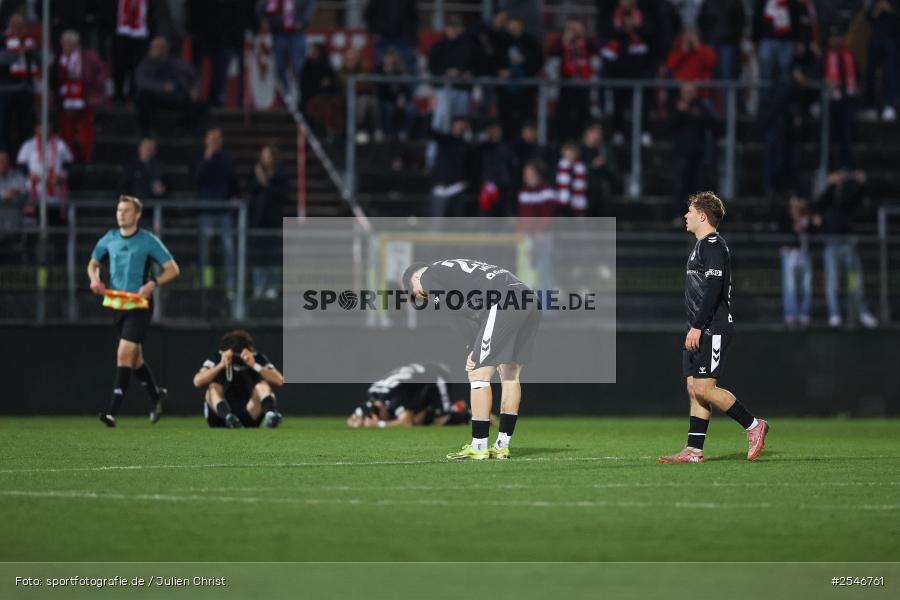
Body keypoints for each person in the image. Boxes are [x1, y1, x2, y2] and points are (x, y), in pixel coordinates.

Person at [659, 191, 769, 464]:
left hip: (713, 327)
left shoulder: (713, 245)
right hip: (699, 327)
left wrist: (698, 326)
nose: (685, 215)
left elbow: (713, 289)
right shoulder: (701, 246)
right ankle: (694, 450)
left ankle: (754, 425)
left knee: (705, 388)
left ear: (702, 216)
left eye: (689, 211)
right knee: (694, 388)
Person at [402, 258, 541, 460]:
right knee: (510, 376)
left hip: (504, 301)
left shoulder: (426, 276)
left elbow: (451, 312)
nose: (426, 297)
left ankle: (479, 446)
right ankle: (501, 446)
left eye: (420, 293)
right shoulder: (451, 269)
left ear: (414, 278)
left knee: (477, 374)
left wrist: (472, 347)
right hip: (529, 299)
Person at [88, 195, 180, 427]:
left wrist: (152, 284)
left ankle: (112, 412)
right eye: (119, 210)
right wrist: (95, 279)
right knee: (135, 359)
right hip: (117, 305)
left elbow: (172, 269)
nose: (121, 214)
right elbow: (93, 263)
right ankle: (156, 395)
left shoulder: (148, 240)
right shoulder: (109, 238)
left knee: (123, 354)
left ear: (137, 215)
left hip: (139, 305)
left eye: (126, 210)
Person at [814, 170, 879, 328]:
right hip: (831, 243)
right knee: (832, 281)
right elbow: (818, 205)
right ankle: (834, 314)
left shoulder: (847, 195)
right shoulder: (827, 195)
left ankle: (862, 312)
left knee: (854, 280)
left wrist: (859, 184)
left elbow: (855, 198)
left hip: (848, 242)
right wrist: (831, 184)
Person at [193, 329, 284, 428]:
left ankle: (271, 415)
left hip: (249, 414)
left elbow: (279, 380)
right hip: (220, 417)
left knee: (263, 385)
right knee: (213, 387)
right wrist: (221, 365)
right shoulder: (218, 356)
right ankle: (228, 418)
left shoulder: (256, 357)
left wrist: (254, 365)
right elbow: (197, 381)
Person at [347, 362, 472, 428]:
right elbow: (353, 418)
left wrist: (379, 424)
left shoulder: (392, 397)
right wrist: (358, 422)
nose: (381, 418)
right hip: (416, 386)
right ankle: (459, 406)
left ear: (380, 407)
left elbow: (406, 422)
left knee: (439, 419)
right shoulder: (373, 393)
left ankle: (468, 415)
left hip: (436, 376)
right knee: (418, 420)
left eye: (379, 416)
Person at [194, 127, 239, 294]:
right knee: (206, 252)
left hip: (224, 212)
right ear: (206, 140)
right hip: (207, 212)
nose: (214, 142)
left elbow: (233, 182)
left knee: (229, 250)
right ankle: (207, 285)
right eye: (211, 138)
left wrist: (233, 196)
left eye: (217, 139)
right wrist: (207, 159)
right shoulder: (200, 159)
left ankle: (231, 286)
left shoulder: (227, 160)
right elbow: (196, 179)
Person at [54, 30, 109, 162]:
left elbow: (102, 70)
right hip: (66, 99)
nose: (67, 47)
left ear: (77, 44)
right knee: (67, 130)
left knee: (86, 130)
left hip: (85, 97)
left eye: (70, 44)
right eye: (64, 44)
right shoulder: (59, 58)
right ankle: (69, 157)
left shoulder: (89, 56)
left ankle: (86, 157)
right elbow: (54, 77)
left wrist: (96, 84)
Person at [135, 36, 203, 135]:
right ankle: (145, 132)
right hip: (156, 97)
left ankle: (183, 129)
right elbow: (142, 82)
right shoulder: (145, 65)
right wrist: (162, 87)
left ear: (165, 50)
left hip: (176, 97)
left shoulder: (176, 63)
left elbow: (194, 75)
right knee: (143, 97)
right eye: (153, 47)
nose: (154, 50)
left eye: (158, 47)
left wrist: (195, 88)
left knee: (201, 104)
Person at [669, 83, 716, 221]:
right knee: (681, 185)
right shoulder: (676, 106)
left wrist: (693, 112)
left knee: (698, 186)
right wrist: (682, 112)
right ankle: (678, 214)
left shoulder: (701, 107)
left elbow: (712, 124)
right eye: (686, 92)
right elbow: (669, 126)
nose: (689, 95)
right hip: (682, 153)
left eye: (691, 92)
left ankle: (698, 216)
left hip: (698, 154)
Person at [247, 144, 288, 299]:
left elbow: (283, 195)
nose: (265, 159)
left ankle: (272, 286)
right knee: (259, 257)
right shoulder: (255, 173)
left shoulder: (280, 174)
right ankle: (259, 286)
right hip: (258, 220)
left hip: (274, 220)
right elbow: (250, 192)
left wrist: (265, 183)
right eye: (263, 155)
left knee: (273, 256)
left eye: (268, 156)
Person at [496, 14, 544, 139]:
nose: (514, 30)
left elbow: (539, 61)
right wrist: (500, 71)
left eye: (516, 27)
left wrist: (525, 59)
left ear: (522, 27)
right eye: (511, 28)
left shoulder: (531, 41)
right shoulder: (500, 41)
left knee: (525, 120)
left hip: (526, 90)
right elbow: (492, 60)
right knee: (506, 119)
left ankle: (526, 143)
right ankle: (507, 142)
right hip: (505, 90)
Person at [427, 15, 474, 135]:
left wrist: (464, 73)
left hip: (462, 88)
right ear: (446, 28)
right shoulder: (438, 47)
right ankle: (435, 145)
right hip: (443, 88)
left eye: (456, 27)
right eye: (451, 27)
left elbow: (474, 66)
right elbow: (432, 67)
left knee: (460, 120)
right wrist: (446, 72)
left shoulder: (468, 46)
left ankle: (460, 144)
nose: (453, 30)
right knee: (441, 119)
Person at [257, 0, 318, 92]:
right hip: (279, 33)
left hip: (297, 33)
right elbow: (261, 6)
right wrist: (263, 19)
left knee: (298, 66)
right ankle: (287, 92)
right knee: (279, 67)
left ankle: (302, 92)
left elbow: (311, 4)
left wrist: (304, 21)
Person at [16, 124, 73, 220]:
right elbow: (21, 164)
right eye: (40, 128)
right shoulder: (29, 144)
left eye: (46, 128)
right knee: (34, 217)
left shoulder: (60, 144)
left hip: (55, 186)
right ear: (36, 130)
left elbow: (68, 162)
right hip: (35, 187)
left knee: (55, 217)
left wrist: (60, 176)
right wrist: (30, 175)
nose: (43, 131)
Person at [552, 19, 596, 143]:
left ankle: (584, 140)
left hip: (584, 84)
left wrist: (584, 36)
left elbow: (596, 50)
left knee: (583, 114)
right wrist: (564, 41)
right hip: (566, 84)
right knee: (564, 114)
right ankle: (563, 142)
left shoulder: (587, 42)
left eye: (577, 28)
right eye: (571, 28)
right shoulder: (561, 42)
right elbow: (552, 53)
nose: (574, 31)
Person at [1, 12, 38, 154]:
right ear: (10, 25)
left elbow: (38, 61)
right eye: (15, 24)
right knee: (5, 125)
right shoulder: (3, 38)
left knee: (25, 124)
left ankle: (24, 155)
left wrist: (32, 51)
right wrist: (18, 53)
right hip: (6, 89)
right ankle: (4, 156)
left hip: (26, 88)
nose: (18, 27)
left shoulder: (29, 40)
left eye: (21, 25)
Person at [823, 26, 859, 170]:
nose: (837, 41)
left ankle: (847, 166)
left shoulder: (849, 56)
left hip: (846, 102)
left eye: (839, 37)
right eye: (834, 38)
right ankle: (829, 167)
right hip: (830, 103)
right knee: (829, 137)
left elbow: (858, 76)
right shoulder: (824, 57)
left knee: (847, 135)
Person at [780, 195, 817, 328]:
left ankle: (804, 314)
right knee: (790, 285)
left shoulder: (808, 217)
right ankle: (791, 314)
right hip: (790, 253)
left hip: (804, 253)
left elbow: (814, 230)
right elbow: (782, 232)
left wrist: (811, 221)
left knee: (806, 285)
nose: (799, 205)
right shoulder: (786, 216)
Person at [865, 0, 899, 122]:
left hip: (892, 40)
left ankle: (890, 105)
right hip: (876, 39)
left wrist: (890, 9)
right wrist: (877, 10)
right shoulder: (874, 2)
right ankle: (871, 105)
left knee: (890, 74)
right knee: (871, 73)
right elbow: (869, 17)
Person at [364, 0, 418, 73]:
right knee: (380, 67)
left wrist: (412, 39)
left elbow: (414, 18)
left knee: (406, 67)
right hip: (382, 37)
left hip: (403, 37)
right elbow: (368, 14)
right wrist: (374, 31)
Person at [113, 0, 152, 101]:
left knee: (138, 65)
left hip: (141, 33)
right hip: (120, 31)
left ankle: (134, 93)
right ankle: (118, 93)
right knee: (119, 64)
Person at [376, 48, 417, 141]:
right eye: (386, 57)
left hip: (400, 99)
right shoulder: (378, 70)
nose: (388, 59)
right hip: (385, 99)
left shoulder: (400, 70)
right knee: (388, 108)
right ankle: (389, 134)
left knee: (411, 109)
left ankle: (404, 132)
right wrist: (386, 73)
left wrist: (402, 97)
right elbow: (379, 90)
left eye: (391, 57)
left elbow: (406, 90)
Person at [580, 121, 619, 215]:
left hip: (600, 196)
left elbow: (613, 173)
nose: (597, 136)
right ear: (586, 133)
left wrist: (604, 166)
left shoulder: (604, 151)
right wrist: (591, 166)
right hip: (582, 194)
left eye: (599, 133)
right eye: (594, 132)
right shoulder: (578, 150)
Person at [555, 142, 587, 216]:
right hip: (562, 202)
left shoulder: (582, 167)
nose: (570, 156)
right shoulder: (559, 167)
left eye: (572, 153)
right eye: (568, 153)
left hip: (578, 202)